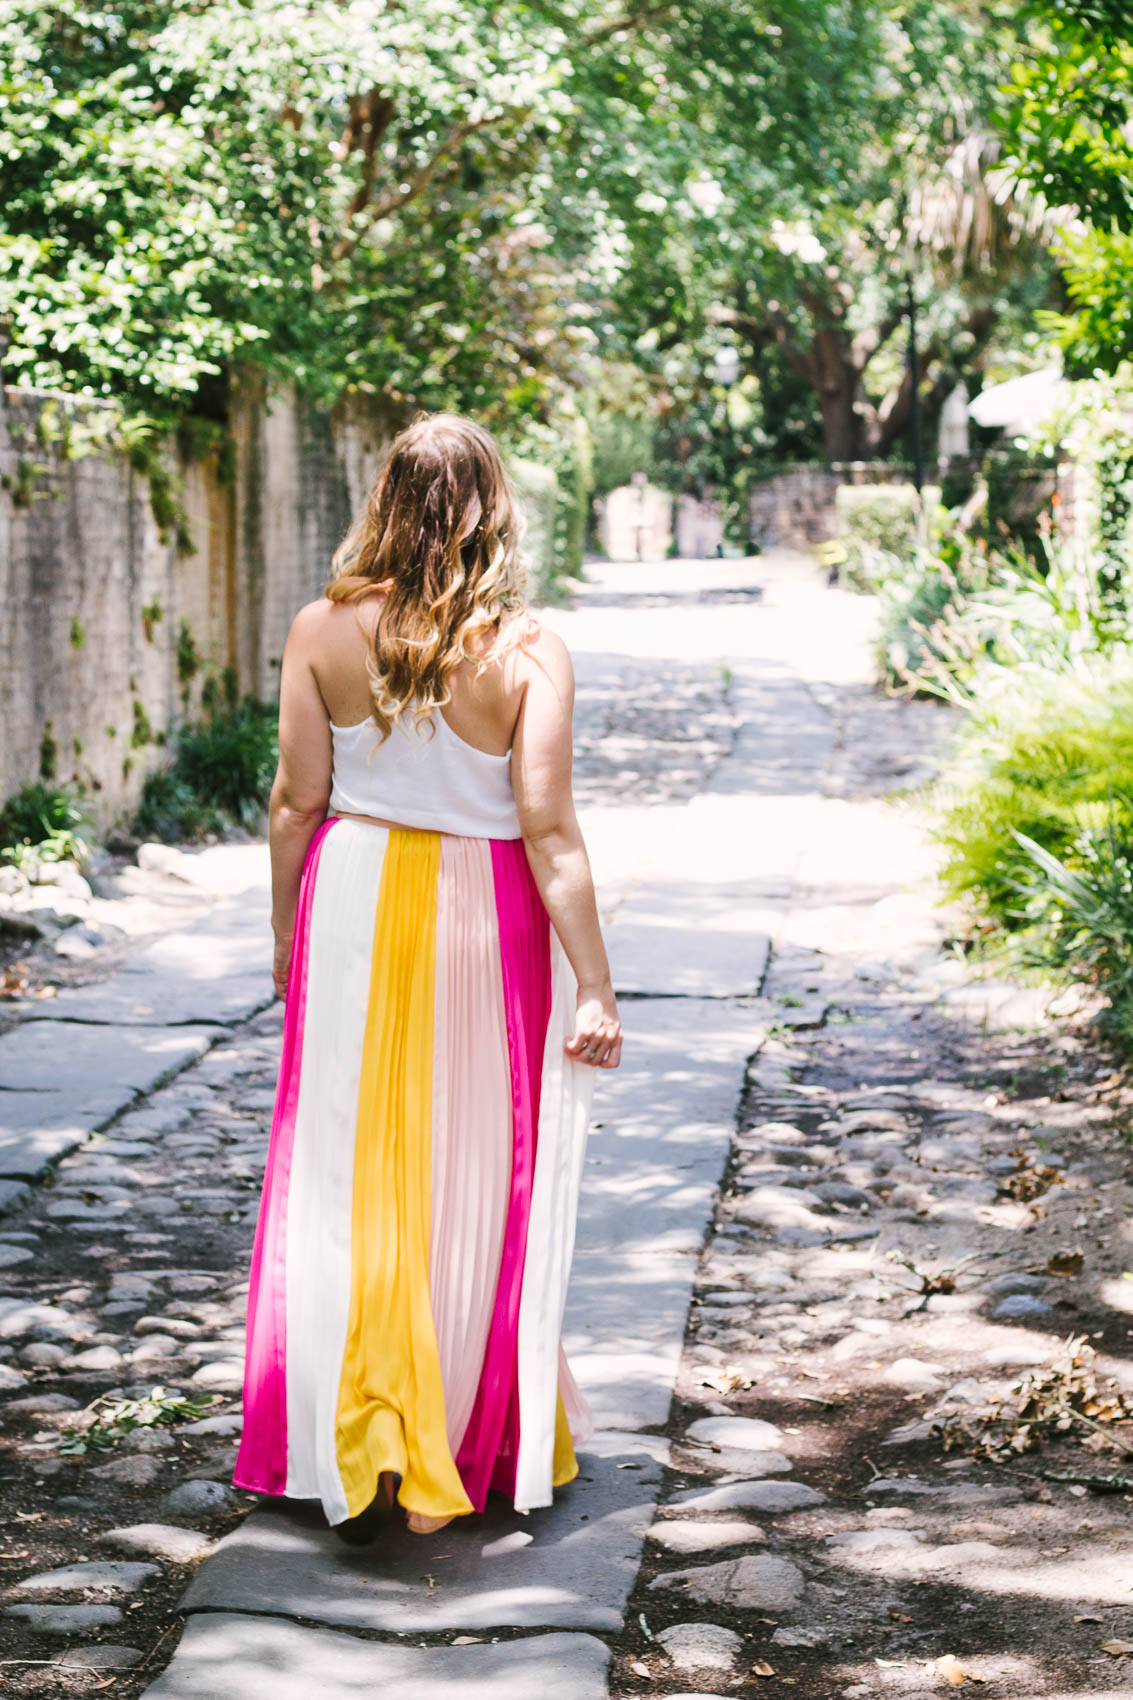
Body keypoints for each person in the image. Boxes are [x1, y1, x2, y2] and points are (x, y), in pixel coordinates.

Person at [231, 412, 622, 1543]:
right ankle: (458, 1425)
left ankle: (344, 1428)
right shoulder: (529, 650)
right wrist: (593, 983)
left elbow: (295, 801)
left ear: (383, 500)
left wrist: (282, 928)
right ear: (494, 506)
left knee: (347, 1167)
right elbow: (547, 827)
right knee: (470, 1165)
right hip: (482, 914)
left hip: (352, 897)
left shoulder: (319, 627)